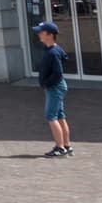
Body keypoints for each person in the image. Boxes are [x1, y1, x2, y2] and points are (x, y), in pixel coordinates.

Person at [35, 20, 73, 158]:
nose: (39, 34)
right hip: (57, 86)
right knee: (60, 116)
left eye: (41, 32)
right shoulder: (52, 50)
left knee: (51, 116)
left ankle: (60, 147)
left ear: (49, 35)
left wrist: (47, 83)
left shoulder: (52, 52)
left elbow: (58, 72)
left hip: (55, 87)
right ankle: (66, 145)